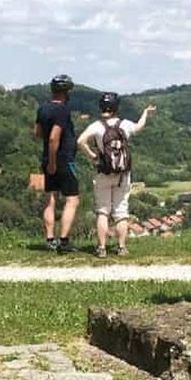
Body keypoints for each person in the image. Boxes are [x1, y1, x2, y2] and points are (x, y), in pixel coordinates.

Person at [77, 93, 156, 258]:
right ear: (116, 108)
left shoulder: (96, 126)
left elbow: (80, 141)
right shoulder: (124, 124)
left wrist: (93, 156)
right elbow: (139, 127)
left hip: (103, 172)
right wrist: (145, 113)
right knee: (121, 211)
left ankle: (101, 248)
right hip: (122, 174)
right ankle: (121, 247)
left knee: (102, 211)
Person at [33, 74, 79, 253]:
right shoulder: (63, 110)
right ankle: (64, 241)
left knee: (50, 199)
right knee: (72, 199)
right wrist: (53, 162)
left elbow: (37, 132)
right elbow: (54, 138)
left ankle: (50, 239)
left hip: (47, 158)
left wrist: (49, 160)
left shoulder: (43, 109)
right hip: (63, 160)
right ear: (66, 92)